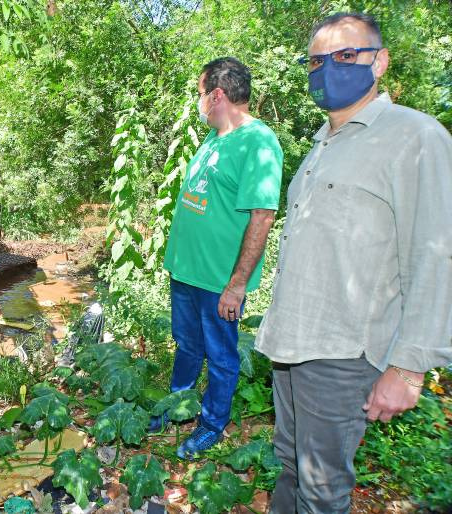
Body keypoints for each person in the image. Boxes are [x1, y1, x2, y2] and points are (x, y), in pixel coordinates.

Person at [255, 12, 452, 512]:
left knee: (322, 490)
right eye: (317, 61)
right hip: (292, 344)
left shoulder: (415, 137)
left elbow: (436, 253)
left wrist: (409, 369)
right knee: (289, 466)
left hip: (344, 354)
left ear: (379, 62)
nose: (329, 69)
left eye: (346, 56)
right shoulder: (321, 146)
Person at [159, 57, 283, 458]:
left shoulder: (259, 142)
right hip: (187, 273)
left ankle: (212, 424)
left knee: (221, 356)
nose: (198, 102)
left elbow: (262, 216)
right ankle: (176, 407)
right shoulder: (215, 138)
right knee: (188, 346)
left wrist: (237, 285)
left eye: (200, 94)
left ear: (217, 95)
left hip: (218, 282)